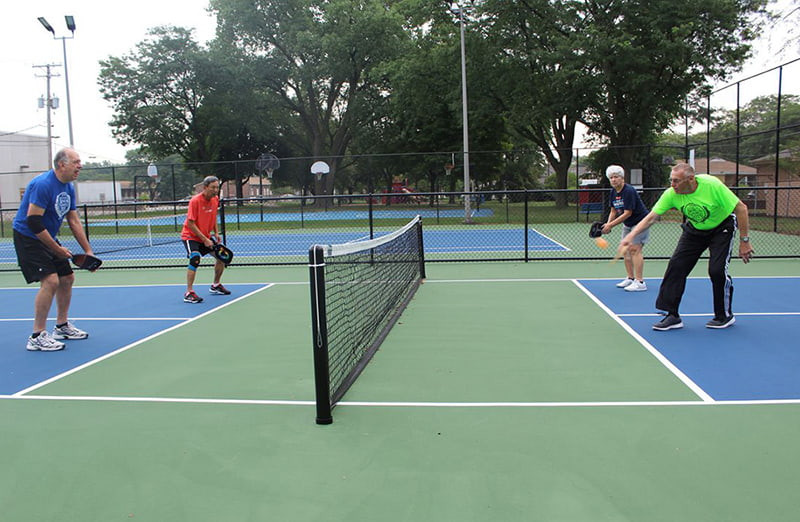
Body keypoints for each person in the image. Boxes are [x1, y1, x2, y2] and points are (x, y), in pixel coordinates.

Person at [620, 163, 754, 331]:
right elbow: (651, 217)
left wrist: (744, 241)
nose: (672, 184)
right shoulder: (671, 194)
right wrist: (631, 236)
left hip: (721, 228)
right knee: (676, 266)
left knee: (716, 270)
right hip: (695, 229)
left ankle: (724, 315)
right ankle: (672, 315)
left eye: (676, 181)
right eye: (671, 180)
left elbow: (741, 208)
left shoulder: (712, 185)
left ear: (691, 179)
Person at [12, 148, 94, 351]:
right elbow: (33, 221)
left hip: (46, 235)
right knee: (50, 280)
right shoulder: (43, 184)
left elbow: (73, 220)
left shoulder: (68, 187)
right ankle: (37, 335)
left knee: (67, 278)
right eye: (76, 162)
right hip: (28, 236)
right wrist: (56, 249)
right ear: (61, 164)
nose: (80, 166)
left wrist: (88, 251)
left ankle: (62, 326)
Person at [181, 175, 231, 303]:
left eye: (217, 187)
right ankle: (189, 292)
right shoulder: (195, 201)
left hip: (206, 237)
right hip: (190, 236)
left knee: (221, 257)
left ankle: (216, 285)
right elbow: (190, 223)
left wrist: (216, 232)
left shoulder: (215, 199)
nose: (215, 190)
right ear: (205, 187)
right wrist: (204, 239)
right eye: (213, 187)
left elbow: (213, 216)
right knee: (195, 258)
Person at [602, 165, 650, 292]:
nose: (613, 180)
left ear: (622, 178)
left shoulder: (629, 191)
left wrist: (611, 225)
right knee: (625, 250)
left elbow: (627, 213)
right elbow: (613, 211)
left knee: (635, 249)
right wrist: (607, 224)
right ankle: (630, 278)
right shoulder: (613, 192)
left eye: (616, 177)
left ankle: (640, 282)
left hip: (640, 222)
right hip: (628, 224)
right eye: (611, 177)